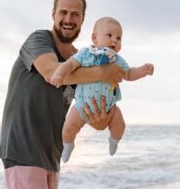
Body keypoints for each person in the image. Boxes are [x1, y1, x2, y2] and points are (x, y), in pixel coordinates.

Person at [0, 0, 125, 189]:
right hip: (22, 143)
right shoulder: (38, 40)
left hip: (51, 150)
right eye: (63, 12)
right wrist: (102, 73)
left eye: (75, 14)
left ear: (83, 20)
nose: (68, 18)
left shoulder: (82, 59)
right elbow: (50, 72)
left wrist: (103, 120)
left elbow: (91, 111)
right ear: (53, 14)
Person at [49, 17, 154, 162]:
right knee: (68, 128)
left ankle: (114, 140)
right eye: (109, 35)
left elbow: (129, 74)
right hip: (81, 106)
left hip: (109, 108)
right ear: (95, 38)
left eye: (119, 38)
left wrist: (143, 71)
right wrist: (59, 74)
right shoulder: (85, 54)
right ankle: (68, 144)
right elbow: (70, 65)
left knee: (120, 125)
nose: (115, 41)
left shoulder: (117, 60)